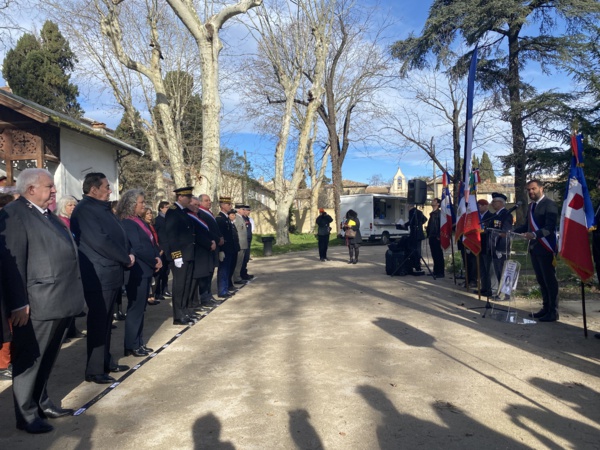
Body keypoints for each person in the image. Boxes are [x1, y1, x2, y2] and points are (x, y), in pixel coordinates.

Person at [0, 168, 85, 433]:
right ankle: (25, 415)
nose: (54, 191)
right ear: (31, 189)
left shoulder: (47, 215)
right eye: (49, 187)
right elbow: (11, 264)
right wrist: (18, 303)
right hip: (35, 303)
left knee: (47, 358)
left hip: (58, 300)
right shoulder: (14, 215)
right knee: (29, 361)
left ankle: (42, 402)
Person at [71, 172, 133, 384]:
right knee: (98, 323)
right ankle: (94, 370)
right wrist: (125, 257)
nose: (110, 190)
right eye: (106, 187)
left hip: (110, 272)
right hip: (98, 274)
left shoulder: (101, 208)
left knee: (106, 322)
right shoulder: (85, 210)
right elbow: (100, 241)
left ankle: (105, 361)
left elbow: (117, 234)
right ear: (94, 189)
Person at [116, 190, 162, 357]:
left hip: (145, 269)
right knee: (135, 308)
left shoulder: (139, 221)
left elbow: (150, 242)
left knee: (140, 308)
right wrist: (154, 260)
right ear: (132, 204)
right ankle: (132, 344)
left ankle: (138, 342)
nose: (144, 205)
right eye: (141, 202)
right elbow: (139, 247)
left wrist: (157, 256)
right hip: (137, 272)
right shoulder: (128, 222)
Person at [514, 180, 559, 322]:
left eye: (533, 189)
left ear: (541, 188)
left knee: (549, 281)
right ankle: (545, 308)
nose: (531, 192)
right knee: (541, 280)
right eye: (528, 190)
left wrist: (534, 235)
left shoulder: (549, 205)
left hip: (546, 248)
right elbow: (527, 226)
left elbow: (549, 227)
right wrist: (511, 232)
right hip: (534, 248)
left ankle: (553, 311)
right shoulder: (531, 206)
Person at [164, 187, 199, 326]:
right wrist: (176, 256)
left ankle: (184, 311)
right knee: (179, 285)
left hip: (188, 254)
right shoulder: (173, 212)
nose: (190, 199)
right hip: (180, 256)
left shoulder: (183, 212)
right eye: (187, 197)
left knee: (187, 284)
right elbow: (172, 236)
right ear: (180, 197)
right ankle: (178, 315)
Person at [57, 195, 86, 340]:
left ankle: (72, 329)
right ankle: (66, 332)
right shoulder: (61, 222)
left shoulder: (72, 221)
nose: (73, 208)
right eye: (70, 205)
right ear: (63, 207)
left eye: (74, 205)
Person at [188, 197, 218, 308]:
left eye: (197, 205)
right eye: (194, 204)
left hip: (207, 250)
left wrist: (213, 240)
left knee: (208, 275)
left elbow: (208, 231)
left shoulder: (199, 215)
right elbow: (198, 235)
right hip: (199, 251)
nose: (196, 207)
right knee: (198, 279)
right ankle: (197, 301)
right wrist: (209, 243)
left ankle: (207, 297)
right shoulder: (191, 216)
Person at [197, 194, 223, 301]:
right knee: (206, 273)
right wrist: (217, 239)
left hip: (214, 245)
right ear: (200, 202)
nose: (209, 202)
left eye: (209, 200)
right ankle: (204, 295)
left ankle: (208, 293)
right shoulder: (200, 213)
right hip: (208, 246)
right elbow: (207, 231)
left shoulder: (209, 213)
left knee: (211, 271)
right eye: (206, 200)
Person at [489, 193, 513, 296]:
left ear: (501, 203)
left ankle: (505, 293)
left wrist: (497, 234)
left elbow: (505, 231)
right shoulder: (495, 215)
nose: (492, 203)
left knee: (502, 270)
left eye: (494, 201)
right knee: (497, 270)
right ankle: (500, 292)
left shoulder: (506, 214)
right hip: (494, 245)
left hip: (501, 246)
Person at [215, 197, 239, 298]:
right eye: (228, 204)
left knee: (227, 269)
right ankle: (222, 290)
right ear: (222, 205)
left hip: (229, 248)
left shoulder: (226, 218)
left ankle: (225, 288)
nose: (230, 206)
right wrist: (220, 250)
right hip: (224, 249)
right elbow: (220, 236)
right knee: (223, 270)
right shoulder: (220, 219)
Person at [142, 207, 161, 305]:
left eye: (150, 213)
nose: (150, 215)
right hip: (151, 253)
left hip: (157, 251)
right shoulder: (144, 226)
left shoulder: (152, 225)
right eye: (147, 214)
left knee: (156, 276)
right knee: (151, 277)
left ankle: (152, 295)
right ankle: (149, 297)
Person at [153, 200, 171, 300]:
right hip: (161, 249)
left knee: (167, 271)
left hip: (169, 249)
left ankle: (165, 289)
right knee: (160, 272)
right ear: (161, 208)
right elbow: (156, 235)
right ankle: (157, 292)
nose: (168, 209)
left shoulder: (168, 219)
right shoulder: (157, 220)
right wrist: (159, 248)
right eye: (166, 207)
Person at [477, 199, 495, 297]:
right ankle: (484, 288)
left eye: (480, 205)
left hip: (487, 245)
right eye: (478, 206)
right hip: (478, 245)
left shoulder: (491, 216)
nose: (478, 207)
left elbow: (491, 230)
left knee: (488, 269)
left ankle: (490, 289)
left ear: (485, 206)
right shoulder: (476, 217)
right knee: (482, 269)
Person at [425, 198, 444, 278]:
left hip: (437, 237)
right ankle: (435, 271)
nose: (432, 202)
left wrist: (439, 235)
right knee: (434, 254)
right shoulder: (432, 214)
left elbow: (440, 225)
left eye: (434, 201)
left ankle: (440, 272)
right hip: (431, 236)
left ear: (438, 204)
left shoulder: (439, 213)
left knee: (438, 254)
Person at [407, 205, 427, 273]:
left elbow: (410, 222)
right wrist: (420, 223)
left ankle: (416, 264)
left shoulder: (411, 212)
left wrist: (405, 225)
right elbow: (425, 219)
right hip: (419, 234)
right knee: (418, 249)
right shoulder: (419, 212)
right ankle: (417, 265)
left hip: (415, 234)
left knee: (414, 250)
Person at [232, 204, 249, 284]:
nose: (244, 210)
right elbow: (235, 231)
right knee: (237, 262)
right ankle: (236, 278)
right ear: (238, 210)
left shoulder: (241, 218)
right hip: (239, 244)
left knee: (240, 262)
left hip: (243, 244)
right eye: (242, 209)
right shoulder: (236, 218)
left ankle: (238, 276)